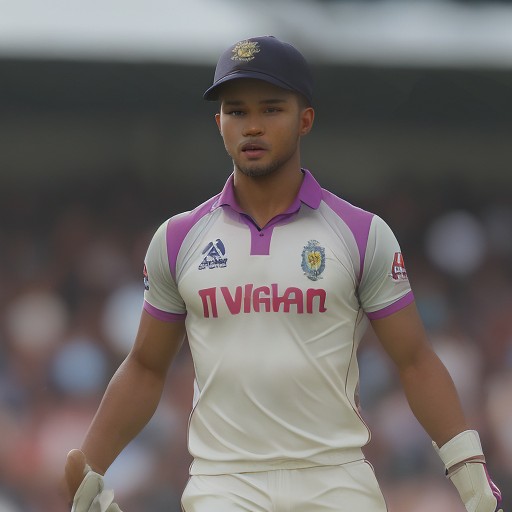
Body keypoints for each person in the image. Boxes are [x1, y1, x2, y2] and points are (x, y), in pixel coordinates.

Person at [64, 36, 504, 512]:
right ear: (219, 123)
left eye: (271, 109)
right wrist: (90, 467)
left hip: (335, 479)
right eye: (236, 111)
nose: (252, 126)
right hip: (223, 484)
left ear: (305, 119)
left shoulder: (361, 234)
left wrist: (470, 475)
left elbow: (415, 361)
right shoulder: (177, 239)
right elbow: (146, 367)